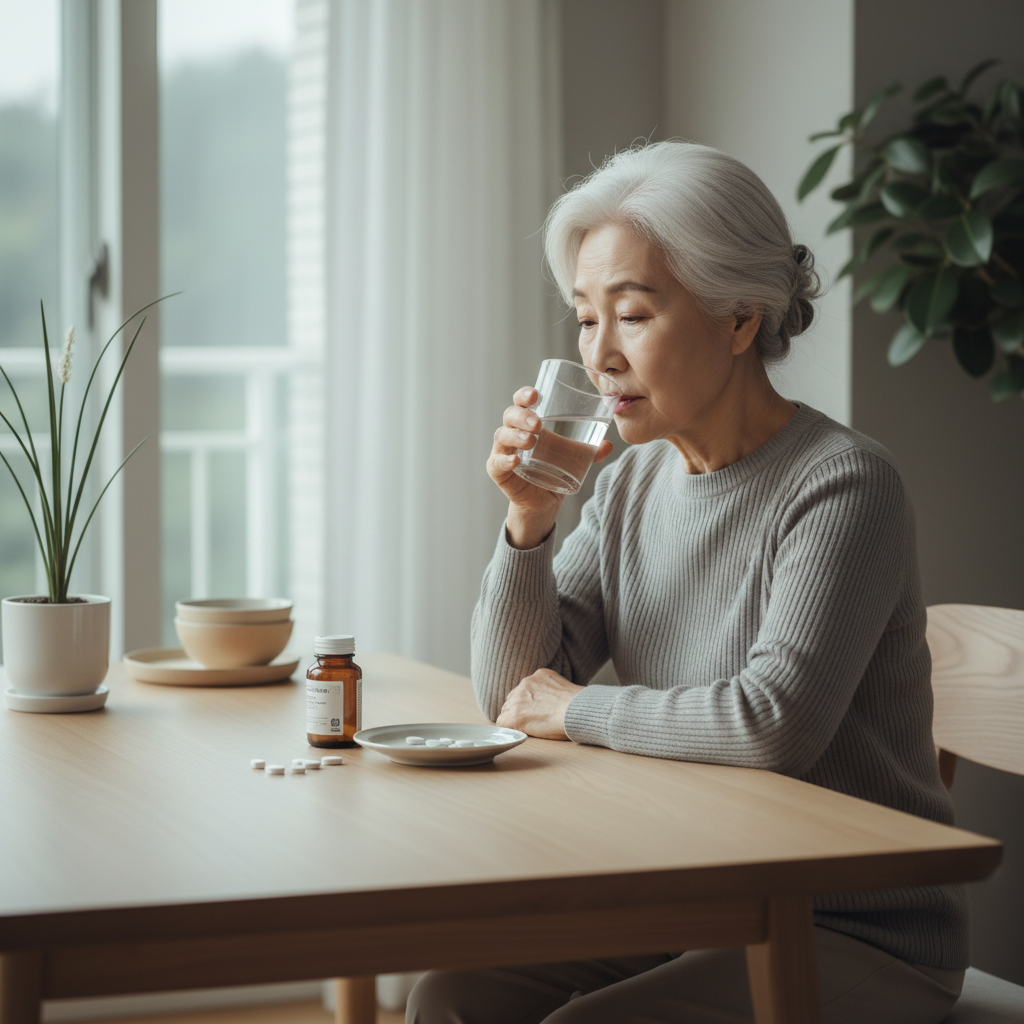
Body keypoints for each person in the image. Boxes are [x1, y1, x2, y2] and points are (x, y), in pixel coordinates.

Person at [406, 141, 967, 1024]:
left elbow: (772, 721)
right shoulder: (630, 484)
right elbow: (510, 694)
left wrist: (579, 710)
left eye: (631, 315)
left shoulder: (844, 485)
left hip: (851, 928)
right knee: (450, 996)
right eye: (585, 320)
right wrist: (529, 520)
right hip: (693, 900)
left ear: (740, 320)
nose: (600, 358)